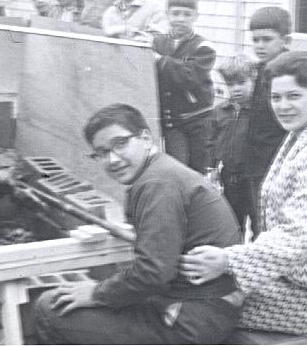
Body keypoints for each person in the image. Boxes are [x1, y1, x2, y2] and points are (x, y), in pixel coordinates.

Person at [179, 51, 307, 336]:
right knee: (197, 288)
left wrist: (228, 261)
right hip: (306, 279)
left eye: (294, 96)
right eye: (276, 97)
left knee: (202, 303)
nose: (283, 106)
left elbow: (298, 236)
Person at [34, 104, 242, 345]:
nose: (112, 159)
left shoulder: (157, 182)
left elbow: (152, 274)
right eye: (101, 152)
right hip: (198, 305)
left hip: (193, 318)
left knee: (50, 309)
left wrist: (95, 293)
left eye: (120, 144)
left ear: (145, 138)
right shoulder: (160, 171)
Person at [153, 0, 216, 174]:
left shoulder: (203, 47)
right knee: (178, 168)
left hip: (198, 119)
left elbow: (189, 76)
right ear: (167, 14)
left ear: (196, 16)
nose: (180, 19)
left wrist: (159, 60)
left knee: (199, 168)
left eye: (187, 14)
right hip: (172, 122)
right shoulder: (157, 43)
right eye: (176, 13)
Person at [245, 6, 291, 237]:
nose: (260, 46)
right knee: (259, 222)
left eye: (267, 39)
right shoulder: (262, 69)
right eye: (255, 40)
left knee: (271, 225)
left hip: (277, 159)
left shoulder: (286, 72)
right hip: (257, 159)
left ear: (285, 40)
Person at [207, 54, 256, 239]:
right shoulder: (220, 111)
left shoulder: (258, 113)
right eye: (230, 84)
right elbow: (211, 141)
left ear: (253, 80)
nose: (236, 89)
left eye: (241, 82)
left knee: (258, 223)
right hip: (230, 176)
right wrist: (212, 168)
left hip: (252, 177)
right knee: (233, 223)